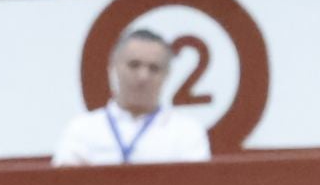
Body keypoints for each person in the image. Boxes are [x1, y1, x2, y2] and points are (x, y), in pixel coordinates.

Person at [51, 28, 210, 167]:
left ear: (167, 75)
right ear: (113, 66)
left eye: (154, 68)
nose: (143, 76)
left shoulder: (187, 132)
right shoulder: (82, 129)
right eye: (134, 65)